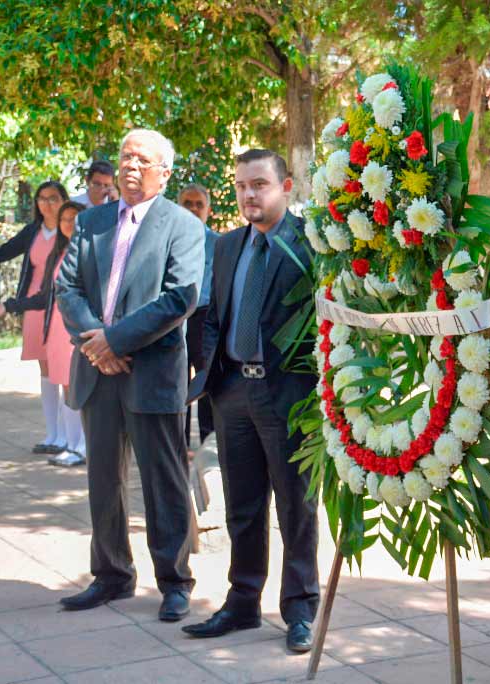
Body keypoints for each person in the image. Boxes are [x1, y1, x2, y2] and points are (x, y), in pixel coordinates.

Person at [55, 128, 204, 622]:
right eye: (125, 156)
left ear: (165, 171)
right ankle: (111, 574)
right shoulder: (93, 221)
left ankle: (175, 581)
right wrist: (98, 341)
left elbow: (179, 297)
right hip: (98, 371)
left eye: (143, 159)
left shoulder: (181, 225)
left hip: (151, 370)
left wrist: (115, 341)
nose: (131, 166)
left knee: (163, 480)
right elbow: (68, 287)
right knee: (103, 480)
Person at [181, 150, 318, 654]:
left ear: (284, 185)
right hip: (233, 391)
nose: (249, 194)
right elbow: (213, 314)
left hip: (289, 396)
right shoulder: (225, 245)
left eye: (259, 184)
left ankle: (301, 608)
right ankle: (242, 602)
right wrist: (211, 376)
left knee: (296, 506)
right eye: (241, 185)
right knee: (242, 506)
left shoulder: (312, 244)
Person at [0, 201, 90, 466]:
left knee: (74, 387)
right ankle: (71, 444)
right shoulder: (59, 253)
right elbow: (44, 297)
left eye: (75, 218)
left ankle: (82, 446)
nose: (69, 223)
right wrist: (8, 306)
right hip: (55, 330)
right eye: (65, 219)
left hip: (75, 329)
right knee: (65, 388)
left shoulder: (90, 253)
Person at [0, 181, 69, 455]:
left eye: (53, 198)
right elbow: (2, 253)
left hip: (59, 303)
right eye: (42, 199)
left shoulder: (70, 230)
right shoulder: (33, 230)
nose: (47, 204)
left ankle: (70, 439)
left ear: (63, 200)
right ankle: (53, 435)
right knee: (45, 370)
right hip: (33, 303)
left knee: (63, 369)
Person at [178, 182, 218, 447]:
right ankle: (178, 445)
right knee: (178, 381)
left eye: (198, 204)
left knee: (206, 381)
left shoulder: (218, 243)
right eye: (187, 204)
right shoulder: (170, 240)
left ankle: (209, 444)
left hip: (205, 318)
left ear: (208, 209)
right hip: (176, 319)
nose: (193, 209)